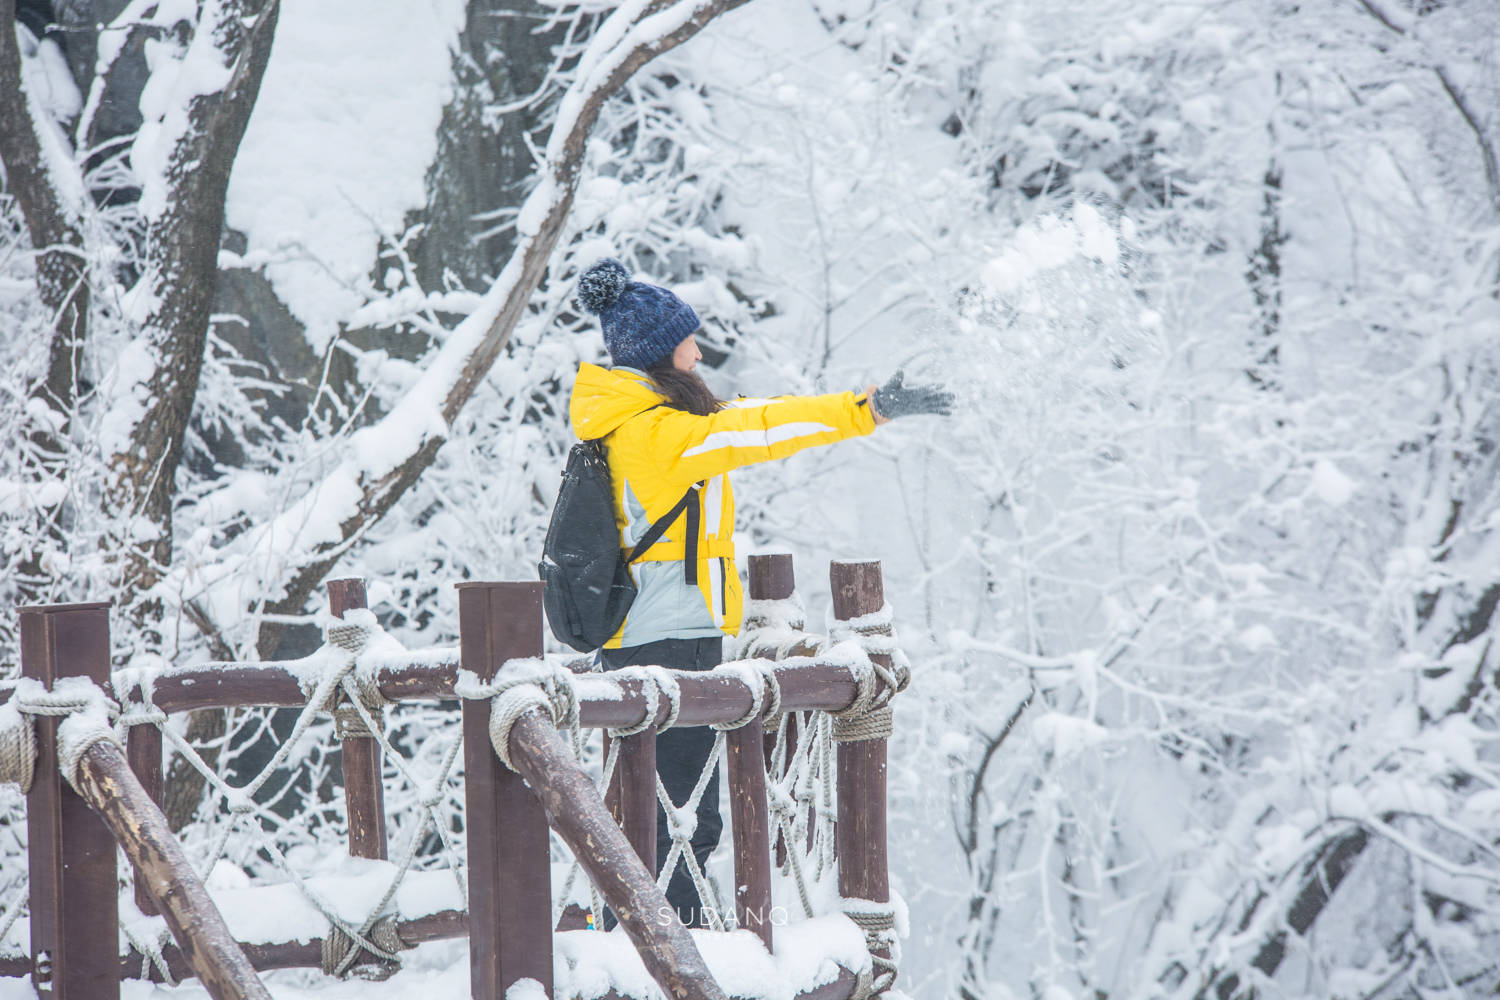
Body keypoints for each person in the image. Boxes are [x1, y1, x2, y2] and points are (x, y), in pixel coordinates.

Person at [569, 257, 951, 928]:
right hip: (668, 639)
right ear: (661, 354)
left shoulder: (640, 423)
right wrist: (869, 411)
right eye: (688, 339)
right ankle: (671, 949)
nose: (699, 347)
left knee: (657, 806)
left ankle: (649, 936)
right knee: (684, 813)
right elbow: (761, 428)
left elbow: (745, 418)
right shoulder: (662, 436)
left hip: (651, 633)